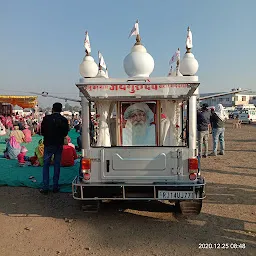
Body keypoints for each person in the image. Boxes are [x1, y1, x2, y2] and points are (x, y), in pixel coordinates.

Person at [40, 102, 69, 194]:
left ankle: (45, 187)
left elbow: (42, 131)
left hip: (48, 144)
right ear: (61, 110)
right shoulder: (64, 120)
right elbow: (65, 133)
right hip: (58, 144)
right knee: (57, 165)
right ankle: (55, 186)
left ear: (52, 109)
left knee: (46, 165)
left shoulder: (46, 119)